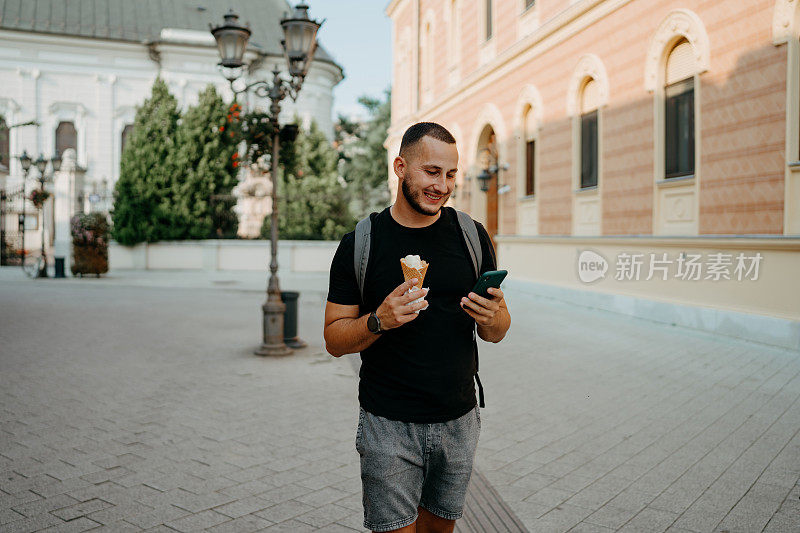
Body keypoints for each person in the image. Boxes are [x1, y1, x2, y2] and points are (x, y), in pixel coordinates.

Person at [324, 121, 511, 533]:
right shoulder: (361, 242)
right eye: (431, 172)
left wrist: (491, 316)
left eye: (450, 174)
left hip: (459, 419)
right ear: (400, 167)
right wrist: (379, 320)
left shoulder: (472, 235)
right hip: (388, 424)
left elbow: (498, 330)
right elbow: (334, 339)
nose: (442, 186)